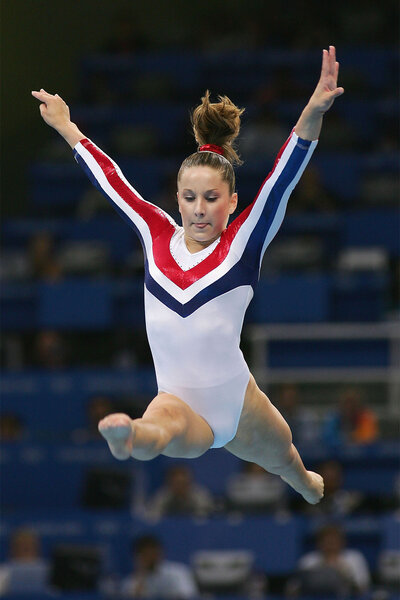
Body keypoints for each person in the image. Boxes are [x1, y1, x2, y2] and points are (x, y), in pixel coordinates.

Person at [32, 46, 344, 505]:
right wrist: (66, 125)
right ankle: (130, 436)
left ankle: (306, 482)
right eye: (190, 197)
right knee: (163, 426)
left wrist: (313, 112)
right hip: (176, 396)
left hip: (237, 401)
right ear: (177, 200)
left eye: (212, 198)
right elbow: (112, 181)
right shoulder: (155, 233)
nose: (200, 209)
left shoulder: (243, 242)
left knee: (286, 460)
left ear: (232, 202)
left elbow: (284, 176)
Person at [288, 524, 371, 597]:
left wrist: (343, 572)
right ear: (319, 543)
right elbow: (292, 588)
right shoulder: (308, 560)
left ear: (342, 541)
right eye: (327, 541)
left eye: (334, 540)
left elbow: (363, 587)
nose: (330, 544)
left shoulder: (354, 558)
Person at [120, 534, 198, 598]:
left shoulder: (178, 572)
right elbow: (132, 596)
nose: (150, 558)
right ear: (138, 557)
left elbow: (187, 595)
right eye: (146, 555)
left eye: (153, 554)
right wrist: (141, 575)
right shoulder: (131, 581)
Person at [146, 464, 214, 520]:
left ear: (189, 482)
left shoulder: (200, 494)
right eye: (177, 483)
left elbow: (207, 515)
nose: (180, 487)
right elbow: (152, 517)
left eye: (183, 483)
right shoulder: (161, 496)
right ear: (169, 483)